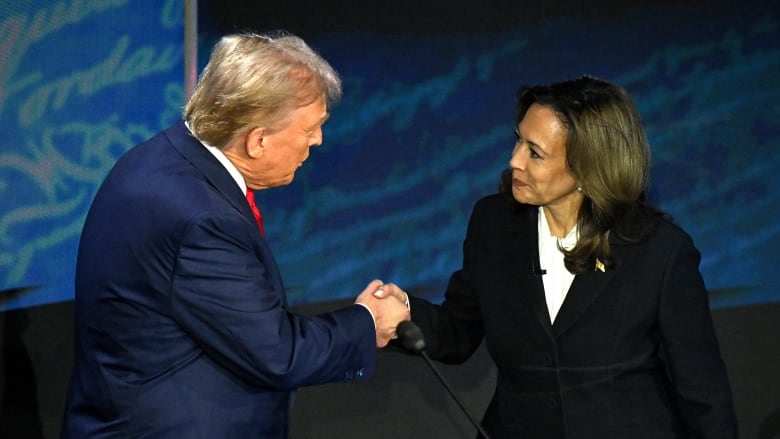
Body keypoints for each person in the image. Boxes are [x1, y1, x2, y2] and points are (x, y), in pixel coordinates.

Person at [61, 32, 410, 438]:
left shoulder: (163, 158)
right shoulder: (202, 218)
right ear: (257, 140)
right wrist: (368, 321)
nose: (318, 140)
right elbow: (278, 354)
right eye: (311, 129)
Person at [379, 76, 737, 438]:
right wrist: (405, 314)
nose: (514, 160)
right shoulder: (493, 224)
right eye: (518, 140)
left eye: (535, 152)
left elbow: (702, 390)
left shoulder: (660, 251)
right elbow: (459, 330)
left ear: (586, 166)